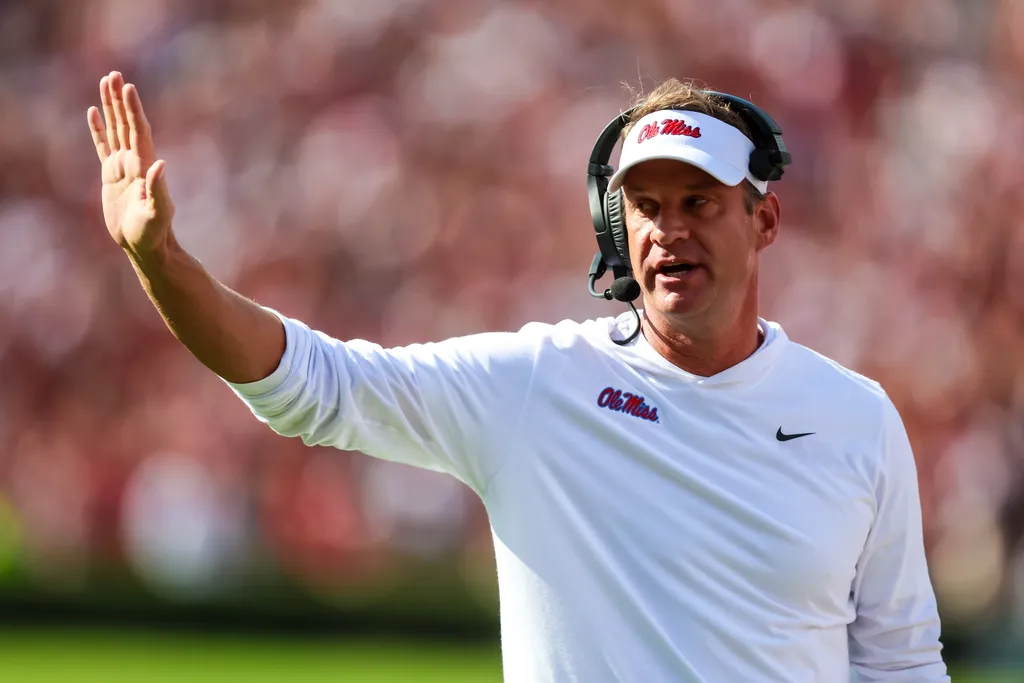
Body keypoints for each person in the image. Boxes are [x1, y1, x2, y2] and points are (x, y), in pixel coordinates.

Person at [86, 70, 950, 682]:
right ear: (617, 227)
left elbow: (900, 659)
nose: (668, 230)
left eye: (700, 202)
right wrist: (162, 262)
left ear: (764, 219)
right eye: (645, 206)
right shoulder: (538, 385)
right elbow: (311, 384)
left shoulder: (855, 418)